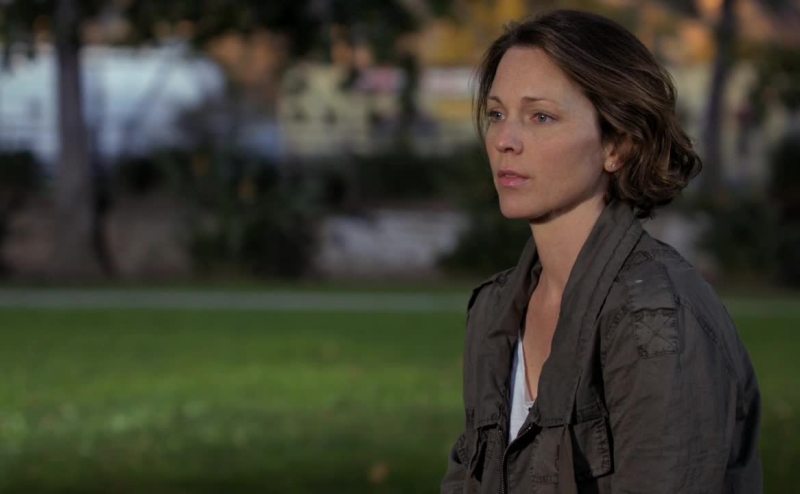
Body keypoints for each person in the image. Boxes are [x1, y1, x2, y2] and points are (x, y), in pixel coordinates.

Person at [441, 9, 761, 494]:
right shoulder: (495, 309)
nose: (505, 140)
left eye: (541, 116)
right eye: (497, 114)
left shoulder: (657, 318)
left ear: (618, 146)